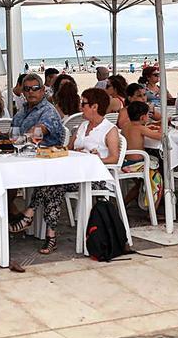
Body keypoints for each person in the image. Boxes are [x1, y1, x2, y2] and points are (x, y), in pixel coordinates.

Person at [10, 88, 111, 255]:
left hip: (96, 177)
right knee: (53, 184)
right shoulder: (82, 127)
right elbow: (68, 149)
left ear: (95, 106)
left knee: (53, 184)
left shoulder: (109, 129)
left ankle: (32, 218)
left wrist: (96, 158)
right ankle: (49, 235)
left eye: (84, 104)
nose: (80, 107)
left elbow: (114, 158)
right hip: (76, 175)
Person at [11, 73, 65, 146]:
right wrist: (1, 135)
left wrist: (18, 141)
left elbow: (37, 132)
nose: (31, 92)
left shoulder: (49, 111)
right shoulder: (22, 111)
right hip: (21, 152)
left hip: (45, 154)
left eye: (35, 88)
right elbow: (14, 134)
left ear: (42, 90)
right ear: (23, 92)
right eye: (27, 89)